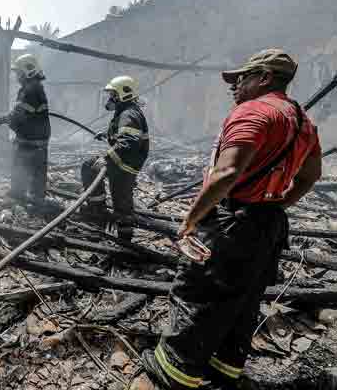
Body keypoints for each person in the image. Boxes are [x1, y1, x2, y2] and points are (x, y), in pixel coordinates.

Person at [133, 49, 322, 390]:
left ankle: (174, 372)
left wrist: (192, 218)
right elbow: (311, 176)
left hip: (232, 221)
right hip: (269, 224)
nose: (233, 86)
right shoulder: (303, 122)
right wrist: (278, 203)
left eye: (241, 78)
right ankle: (226, 368)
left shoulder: (253, 111)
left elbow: (227, 173)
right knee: (245, 298)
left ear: (264, 78)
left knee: (198, 292)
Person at [80, 75, 149, 242]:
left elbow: (127, 143)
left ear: (122, 95)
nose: (110, 99)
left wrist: (106, 158)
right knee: (89, 166)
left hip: (125, 165)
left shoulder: (128, 114)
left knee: (122, 205)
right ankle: (99, 211)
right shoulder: (126, 112)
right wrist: (107, 134)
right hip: (124, 161)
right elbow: (123, 135)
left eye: (112, 95)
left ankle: (125, 241)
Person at [0, 54, 51, 203]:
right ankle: (38, 200)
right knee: (38, 174)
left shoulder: (27, 91)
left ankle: (18, 195)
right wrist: (10, 117)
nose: (17, 76)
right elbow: (26, 112)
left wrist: (7, 119)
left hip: (28, 141)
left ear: (28, 71)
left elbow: (19, 116)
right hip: (40, 141)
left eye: (18, 72)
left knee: (19, 169)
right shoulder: (38, 88)